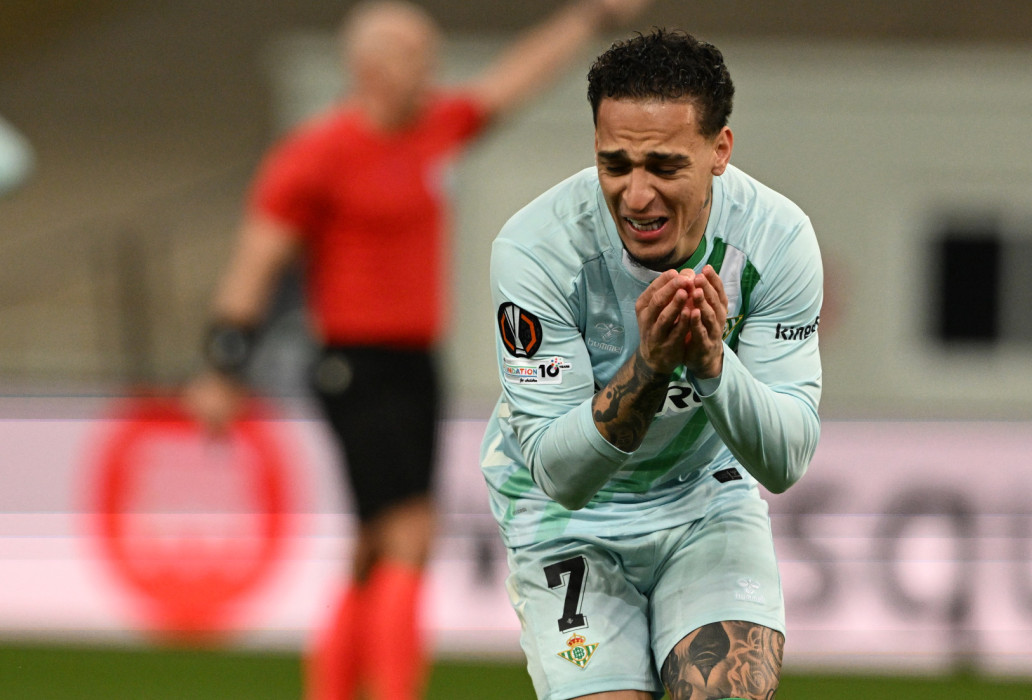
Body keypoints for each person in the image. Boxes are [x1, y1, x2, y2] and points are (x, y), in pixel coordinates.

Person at [186, 1, 652, 698]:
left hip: (414, 365)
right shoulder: (316, 154)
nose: (430, 70)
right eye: (415, 56)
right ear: (368, 67)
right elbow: (256, 261)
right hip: (353, 363)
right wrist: (224, 368)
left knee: (376, 543)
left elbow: (513, 79)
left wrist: (587, 18)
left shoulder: (434, 130)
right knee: (409, 532)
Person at [482, 28, 823, 700]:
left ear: (720, 150)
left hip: (703, 499)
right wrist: (651, 365)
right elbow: (560, 474)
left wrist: (711, 363)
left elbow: (785, 461)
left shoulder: (775, 239)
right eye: (616, 165)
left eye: (664, 167)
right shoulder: (537, 248)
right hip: (565, 523)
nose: (636, 196)